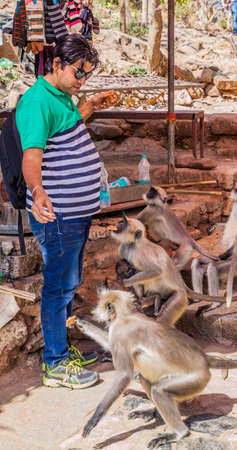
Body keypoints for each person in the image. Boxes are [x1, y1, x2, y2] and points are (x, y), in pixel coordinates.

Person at [16, 34, 117, 389]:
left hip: (75, 214)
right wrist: (38, 191)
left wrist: (90, 105)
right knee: (58, 287)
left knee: (68, 284)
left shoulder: (63, 98)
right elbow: (32, 156)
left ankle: (64, 350)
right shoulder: (36, 102)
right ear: (56, 64)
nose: (82, 80)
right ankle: (55, 363)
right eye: (78, 72)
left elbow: (66, 131)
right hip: (57, 215)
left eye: (87, 74)